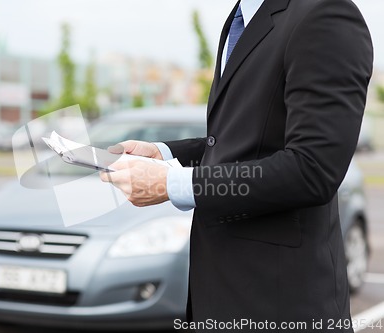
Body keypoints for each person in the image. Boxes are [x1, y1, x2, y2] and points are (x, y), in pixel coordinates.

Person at [100, 0, 373, 332]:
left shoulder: (325, 13)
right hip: (222, 299)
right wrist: (164, 153)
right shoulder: (240, 18)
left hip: (280, 306)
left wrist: (173, 184)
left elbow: (312, 169)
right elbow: (240, 143)